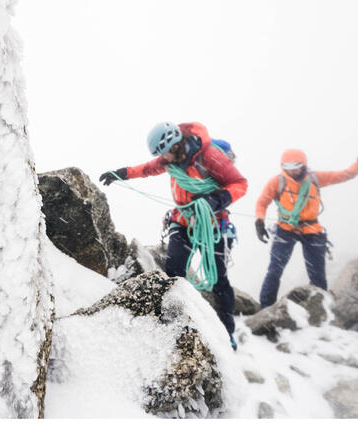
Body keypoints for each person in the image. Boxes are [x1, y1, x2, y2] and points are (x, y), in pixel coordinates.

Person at [99, 121, 248, 349]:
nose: (163, 159)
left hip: (214, 224)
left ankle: (227, 333)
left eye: (164, 153)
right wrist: (121, 174)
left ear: (175, 144)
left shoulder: (209, 157)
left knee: (218, 280)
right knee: (174, 271)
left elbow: (239, 183)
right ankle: (174, 322)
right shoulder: (171, 161)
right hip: (183, 220)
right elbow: (147, 168)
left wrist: (216, 201)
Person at [254, 144, 358, 308]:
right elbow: (262, 202)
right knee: (275, 270)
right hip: (286, 229)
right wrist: (259, 221)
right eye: (287, 167)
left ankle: (321, 310)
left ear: (303, 165)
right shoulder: (278, 181)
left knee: (317, 275)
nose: (292, 171)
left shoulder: (315, 178)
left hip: (312, 230)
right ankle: (265, 308)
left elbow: (346, 175)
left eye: (296, 167)